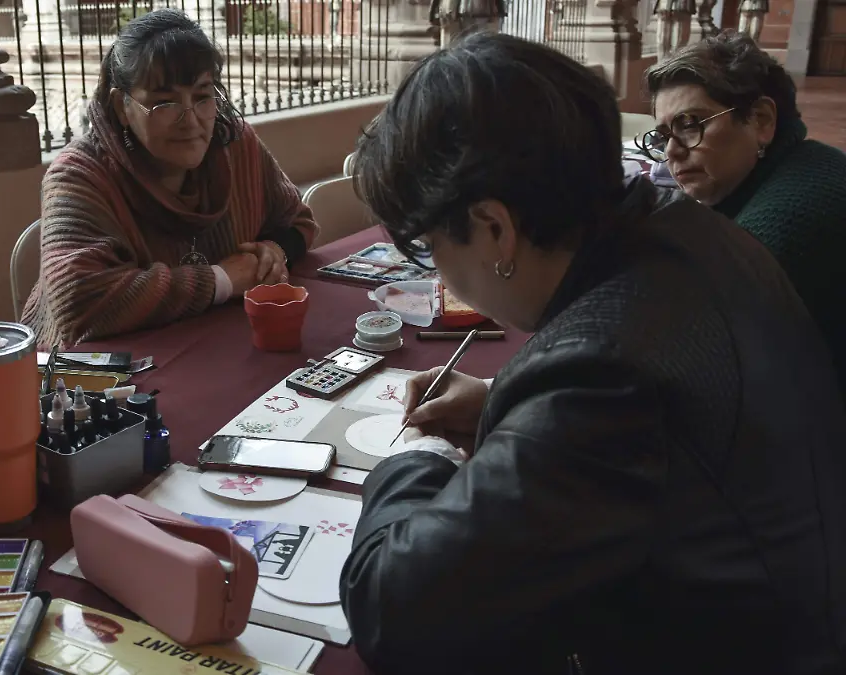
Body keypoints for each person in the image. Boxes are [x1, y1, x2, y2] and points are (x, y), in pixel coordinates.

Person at [340, 32, 846, 674]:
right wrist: (504, 404)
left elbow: (394, 612)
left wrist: (413, 456)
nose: (441, 274)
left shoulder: (598, 374)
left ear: (494, 227)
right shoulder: (690, 231)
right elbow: (677, 413)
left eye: (432, 246)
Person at [20, 9, 318, 348]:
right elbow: (79, 300)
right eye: (164, 103)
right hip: (95, 382)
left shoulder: (234, 143)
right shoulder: (79, 175)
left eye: (203, 96)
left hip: (212, 348)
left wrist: (273, 251)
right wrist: (220, 280)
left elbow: (298, 221)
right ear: (122, 106)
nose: (190, 120)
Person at [644, 32, 846, 393]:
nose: (672, 152)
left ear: (762, 120)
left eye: (691, 124)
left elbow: (686, 368)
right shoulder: (810, 161)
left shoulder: (775, 231)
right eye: (663, 135)